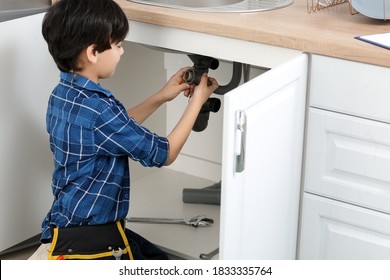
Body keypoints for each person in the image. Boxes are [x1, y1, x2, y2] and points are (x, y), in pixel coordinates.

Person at [39, 0, 218, 260]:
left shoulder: (63, 95)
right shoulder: (100, 109)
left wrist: (162, 95)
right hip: (93, 238)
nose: (122, 52)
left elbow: (115, 130)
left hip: (66, 222)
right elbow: (164, 153)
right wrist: (197, 102)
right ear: (93, 53)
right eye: (118, 45)